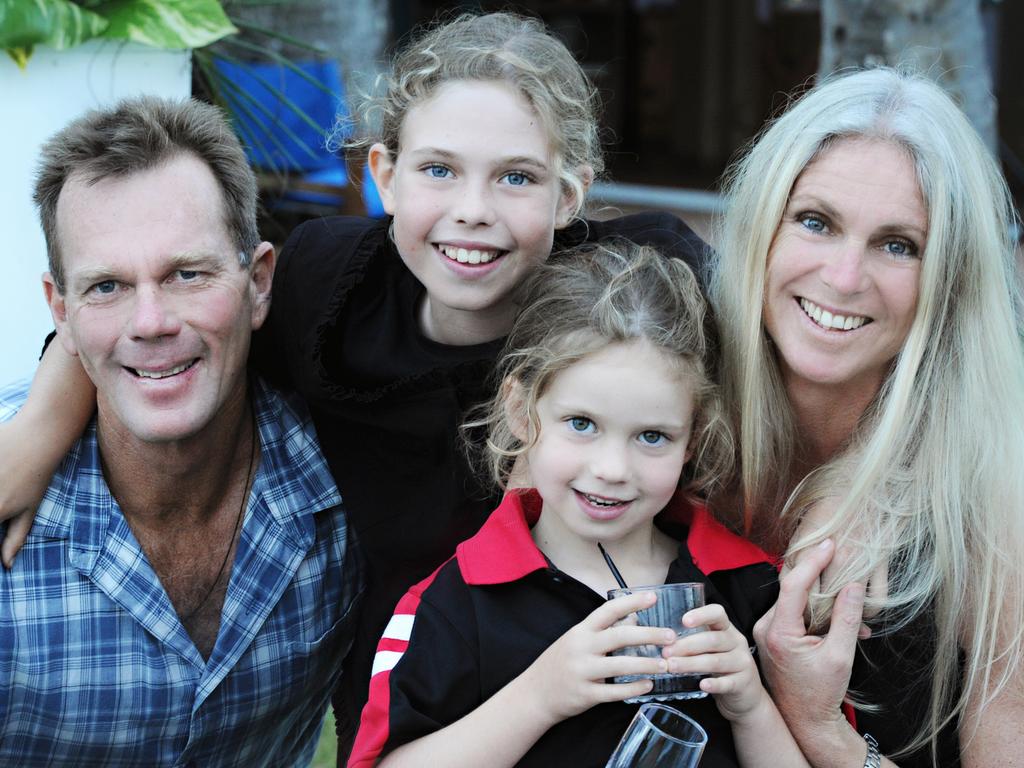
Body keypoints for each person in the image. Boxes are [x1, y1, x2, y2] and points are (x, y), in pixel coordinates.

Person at [0, 11, 704, 753]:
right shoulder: (326, 289)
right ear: (384, 175)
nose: (472, 210)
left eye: (517, 178)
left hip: (583, 674)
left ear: (570, 196)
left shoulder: (623, 294)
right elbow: (148, 327)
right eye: (438, 170)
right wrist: (39, 429)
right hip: (406, 703)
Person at [0, 96, 361, 766]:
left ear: (258, 283)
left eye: (186, 274)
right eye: (106, 287)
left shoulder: (348, 476)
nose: (151, 321)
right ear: (63, 312)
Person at [347, 241, 797, 768]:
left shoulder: (752, 587)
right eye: (581, 424)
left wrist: (750, 707)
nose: (611, 468)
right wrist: (539, 696)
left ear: (693, 437)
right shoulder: (454, 605)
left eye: (652, 436)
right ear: (520, 410)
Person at [709, 67, 1024, 766]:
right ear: (763, 224)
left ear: (948, 279)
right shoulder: (666, 416)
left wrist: (818, 726)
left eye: (898, 244)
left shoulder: (996, 503)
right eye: (816, 222)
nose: (845, 277)